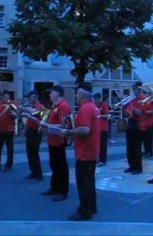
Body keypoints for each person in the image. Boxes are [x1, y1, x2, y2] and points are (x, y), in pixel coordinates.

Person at [58, 82, 101, 221]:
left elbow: (84, 130)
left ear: (81, 95)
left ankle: (84, 211)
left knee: (83, 183)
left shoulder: (85, 109)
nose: (75, 96)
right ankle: (91, 206)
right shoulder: (93, 107)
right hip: (91, 151)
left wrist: (68, 132)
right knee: (89, 181)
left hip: (85, 152)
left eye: (77, 93)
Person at [40, 85, 71, 202]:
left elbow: (64, 125)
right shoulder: (54, 106)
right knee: (54, 165)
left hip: (59, 141)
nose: (49, 94)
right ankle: (54, 187)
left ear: (57, 93)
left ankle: (63, 191)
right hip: (52, 140)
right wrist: (45, 122)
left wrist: (47, 125)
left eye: (51, 92)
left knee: (61, 166)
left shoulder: (63, 106)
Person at [0, 90, 18, 172]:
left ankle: (8, 165)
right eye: (4, 96)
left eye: (7, 96)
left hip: (9, 130)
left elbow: (15, 115)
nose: (6, 98)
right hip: (0, 129)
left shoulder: (13, 104)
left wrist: (12, 113)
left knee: (9, 148)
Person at [123, 81, 147, 175]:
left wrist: (130, 105)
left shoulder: (143, 99)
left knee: (136, 147)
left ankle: (138, 167)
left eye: (135, 89)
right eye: (133, 89)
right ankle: (131, 165)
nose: (133, 91)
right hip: (131, 124)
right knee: (129, 147)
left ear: (139, 89)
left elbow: (139, 112)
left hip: (139, 126)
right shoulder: (132, 100)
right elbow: (129, 114)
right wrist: (125, 107)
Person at [21, 91, 44, 181]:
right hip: (30, 131)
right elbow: (28, 121)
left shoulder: (39, 106)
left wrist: (23, 108)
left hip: (37, 131)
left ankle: (39, 173)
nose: (30, 99)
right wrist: (25, 130)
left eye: (32, 97)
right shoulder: (30, 106)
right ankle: (33, 171)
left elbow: (35, 112)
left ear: (36, 98)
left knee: (34, 152)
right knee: (29, 152)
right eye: (29, 97)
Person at [93, 93, 110, 166]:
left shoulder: (104, 105)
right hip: (97, 128)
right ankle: (98, 158)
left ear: (99, 99)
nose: (95, 101)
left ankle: (103, 160)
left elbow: (107, 116)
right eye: (94, 99)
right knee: (97, 144)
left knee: (103, 145)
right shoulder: (94, 105)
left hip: (103, 129)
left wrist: (99, 116)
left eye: (96, 99)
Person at [142, 90, 153, 157]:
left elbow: (152, 112)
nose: (145, 96)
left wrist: (144, 111)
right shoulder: (144, 103)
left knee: (149, 138)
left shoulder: (151, 103)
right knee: (145, 138)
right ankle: (146, 150)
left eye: (146, 95)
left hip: (150, 123)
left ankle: (150, 151)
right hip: (144, 123)